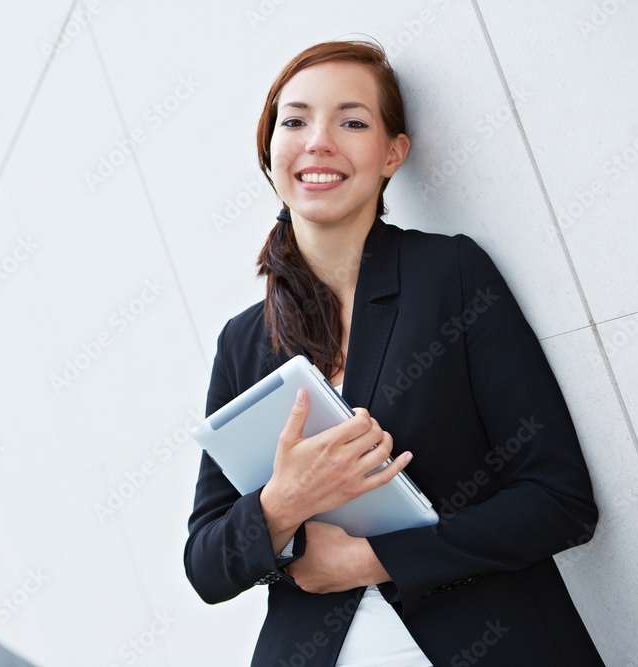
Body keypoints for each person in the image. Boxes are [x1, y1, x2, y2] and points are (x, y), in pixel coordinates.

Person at [184, 40, 604, 667]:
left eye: (351, 121)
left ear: (392, 153)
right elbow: (205, 566)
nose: (319, 141)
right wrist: (283, 503)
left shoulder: (449, 275)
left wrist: (377, 558)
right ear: (270, 150)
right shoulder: (245, 340)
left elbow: (559, 500)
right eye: (294, 121)